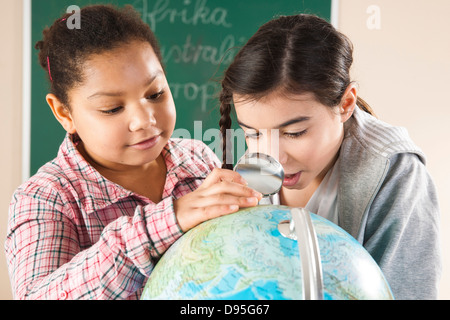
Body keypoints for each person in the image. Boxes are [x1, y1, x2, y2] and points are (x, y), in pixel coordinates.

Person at [5, 4, 262, 300]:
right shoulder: (46, 197)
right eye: (112, 108)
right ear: (64, 113)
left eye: (155, 94)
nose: (145, 120)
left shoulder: (198, 159)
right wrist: (163, 224)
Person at [219, 14, 441, 299]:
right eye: (253, 133)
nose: (273, 159)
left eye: (294, 133)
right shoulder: (254, 167)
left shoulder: (395, 171)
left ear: (346, 103)